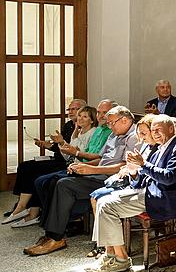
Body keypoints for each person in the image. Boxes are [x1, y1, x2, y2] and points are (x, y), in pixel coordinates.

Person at [86, 115, 176, 272]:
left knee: (107, 206)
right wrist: (135, 172)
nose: (155, 134)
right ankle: (110, 255)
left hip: (163, 198)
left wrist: (143, 164)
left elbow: (169, 178)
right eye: (153, 130)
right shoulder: (160, 147)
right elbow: (142, 178)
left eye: (159, 130)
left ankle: (121, 260)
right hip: (147, 192)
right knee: (101, 200)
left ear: (171, 129)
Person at [25, 106, 138, 256]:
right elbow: (100, 159)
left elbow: (126, 166)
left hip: (114, 180)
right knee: (57, 181)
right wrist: (84, 166)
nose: (109, 126)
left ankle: (55, 237)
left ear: (124, 120)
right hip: (100, 172)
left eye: (112, 123)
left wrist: (92, 170)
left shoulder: (134, 136)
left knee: (64, 185)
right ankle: (51, 234)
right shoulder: (114, 134)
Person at [4, 104, 97, 227]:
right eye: (78, 114)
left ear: (92, 119)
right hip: (67, 161)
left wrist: (63, 144)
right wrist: (58, 144)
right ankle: (23, 207)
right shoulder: (75, 129)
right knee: (25, 166)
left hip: (72, 165)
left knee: (39, 176)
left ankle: (37, 213)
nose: (77, 116)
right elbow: (68, 152)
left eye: (83, 115)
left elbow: (78, 154)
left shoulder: (92, 132)